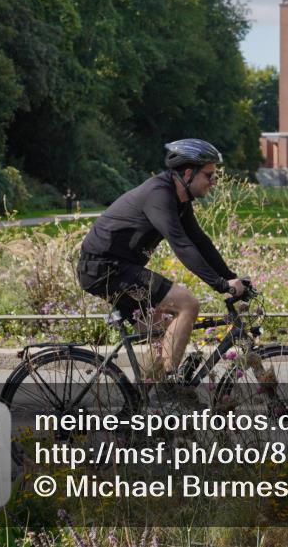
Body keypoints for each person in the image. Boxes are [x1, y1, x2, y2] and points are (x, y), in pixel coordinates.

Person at [77, 139, 248, 397]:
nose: (213, 182)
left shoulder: (179, 199)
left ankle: (139, 404)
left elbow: (199, 241)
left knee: (160, 340)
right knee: (187, 304)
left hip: (117, 269)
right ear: (188, 173)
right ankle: (169, 392)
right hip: (105, 269)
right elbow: (181, 245)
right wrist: (221, 285)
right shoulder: (159, 195)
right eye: (209, 175)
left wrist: (231, 277)